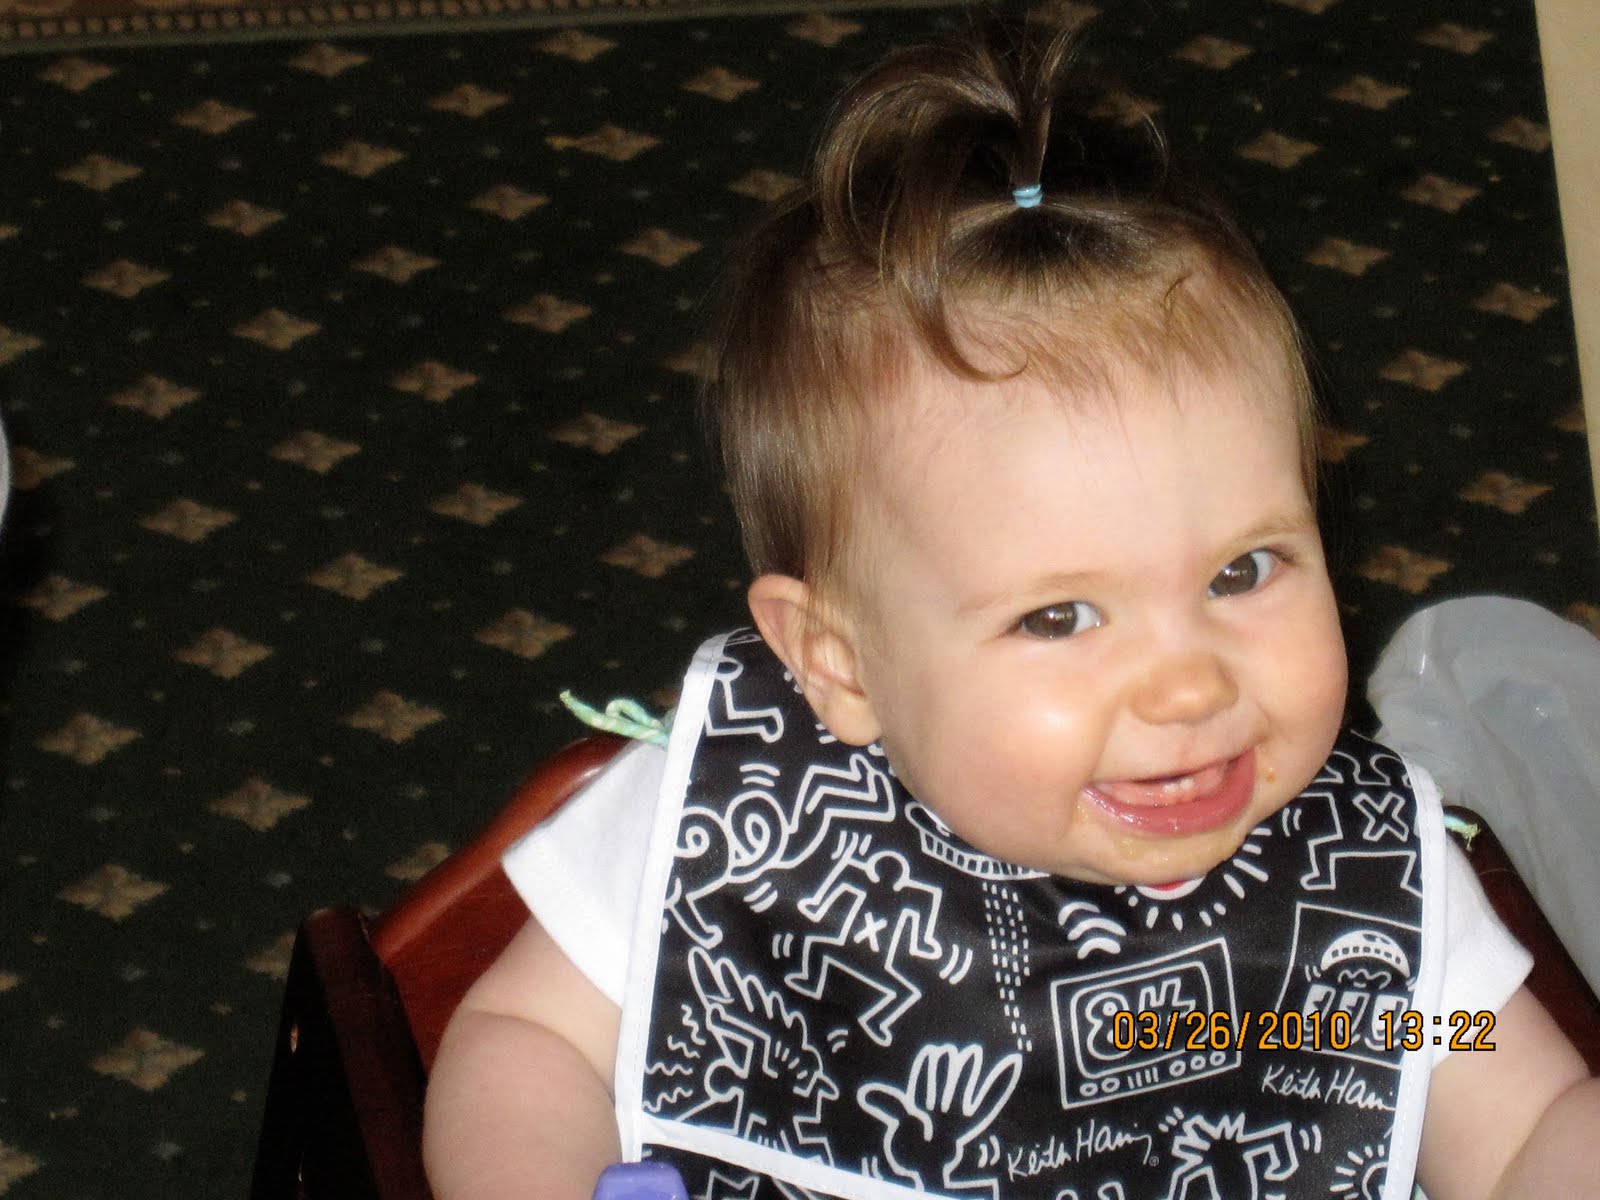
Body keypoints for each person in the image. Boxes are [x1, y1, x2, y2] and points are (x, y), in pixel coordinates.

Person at [422, 17, 1600, 1200]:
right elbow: (530, 1041)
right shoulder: (743, 818)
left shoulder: (1361, 879)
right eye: (1058, 618)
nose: (1190, 684)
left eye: (1242, 572)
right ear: (838, 664)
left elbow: (1520, 1131)